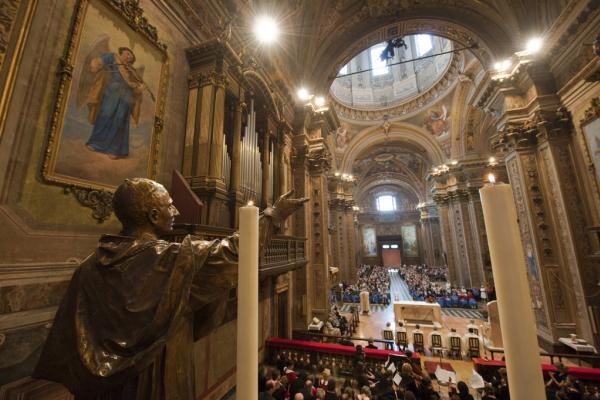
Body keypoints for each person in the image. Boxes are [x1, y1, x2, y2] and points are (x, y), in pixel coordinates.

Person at [33, 178, 307, 399]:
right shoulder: (172, 259)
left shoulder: (86, 268)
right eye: (169, 205)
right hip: (156, 378)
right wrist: (273, 215)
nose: (175, 211)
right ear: (153, 215)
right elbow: (234, 252)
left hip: (101, 389)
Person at [83, 46, 147, 159]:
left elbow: (135, 86)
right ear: (121, 52)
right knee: (105, 115)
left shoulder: (130, 70)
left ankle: (114, 149)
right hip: (111, 94)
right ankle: (95, 143)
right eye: (127, 54)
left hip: (125, 98)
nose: (128, 58)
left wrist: (139, 88)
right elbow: (99, 62)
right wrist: (95, 64)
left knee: (119, 121)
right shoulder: (112, 57)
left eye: (131, 58)